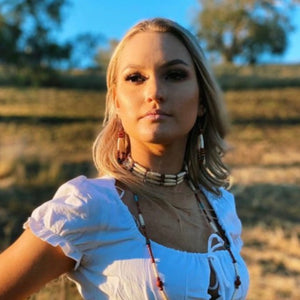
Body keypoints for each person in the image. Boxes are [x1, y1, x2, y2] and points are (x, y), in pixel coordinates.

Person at [0, 18, 249, 300]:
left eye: (175, 75)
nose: (154, 92)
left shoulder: (219, 205)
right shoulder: (88, 205)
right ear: (117, 101)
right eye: (135, 78)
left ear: (202, 99)